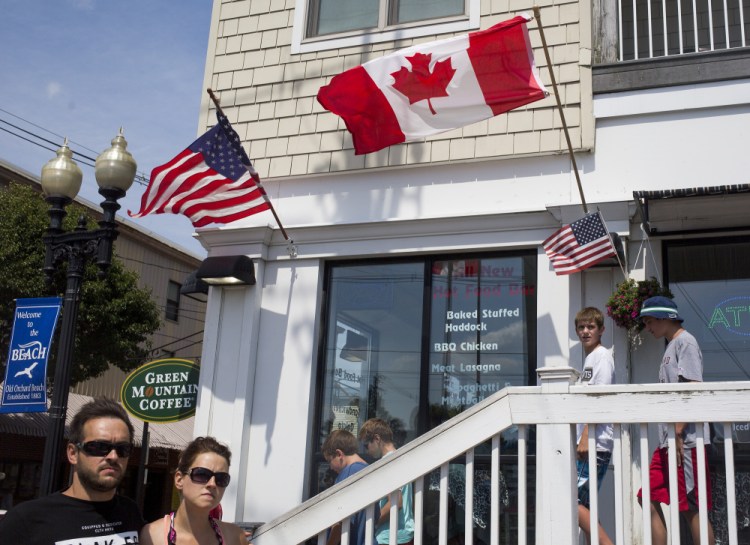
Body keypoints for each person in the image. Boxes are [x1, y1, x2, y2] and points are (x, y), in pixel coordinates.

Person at [0, 397, 145, 544]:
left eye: (123, 449)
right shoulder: (25, 520)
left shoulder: (130, 512)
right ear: (73, 453)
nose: (113, 456)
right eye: (99, 447)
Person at [637, 296, 715, 545]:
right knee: (647, 495)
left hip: (686, 441)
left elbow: (693, 389)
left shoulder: (686, 342)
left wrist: (678, 433)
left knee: (691, 505)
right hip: (668, 442)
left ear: (664, 318)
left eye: (649, 321)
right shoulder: (670, 346)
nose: (647, 328)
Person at [140, 436, 247, 545]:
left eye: (221, 478)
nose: (212, 484)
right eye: (202, 474)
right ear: (179, 479)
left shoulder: (235, 537)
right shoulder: (152, 536)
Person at [574, 307, 615, 545]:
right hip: (590, 442)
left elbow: (600, 399)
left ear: (601, 330)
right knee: (586, 507)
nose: (585, 331)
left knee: (573, 503)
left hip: (595, 443)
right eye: (581, 327)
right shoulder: (590, 359)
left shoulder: (602, 356)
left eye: (590, 327)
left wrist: (586, 437)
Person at [359, 418, 414, 545]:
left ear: (377, 439)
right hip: (402, 535)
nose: (366, 450)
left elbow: (397, 501)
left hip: (390, 536)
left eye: (366, 445)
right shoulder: (400, 458)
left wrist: (372, 523)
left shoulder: (389, 462)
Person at [322, 429, 369, 545]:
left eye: (330, 461)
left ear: (339, 454)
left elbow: (341, 522)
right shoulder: (366, 469)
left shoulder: (349, 473)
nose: (331, 468)